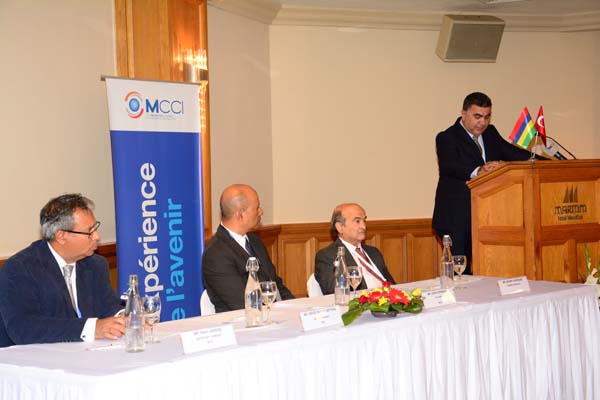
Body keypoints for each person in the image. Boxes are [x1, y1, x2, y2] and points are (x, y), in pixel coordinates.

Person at [0, 194, 124, 347]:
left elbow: (109, 305)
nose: (97, 236)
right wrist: (92, 328)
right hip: (32, 357)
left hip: (86, 352)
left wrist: (125, 318)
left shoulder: (95, 264)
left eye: (95, 228)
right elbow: (24, 328)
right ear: (61, 236)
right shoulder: (20, 268)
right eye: (89, 231)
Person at [432, 92, 533, 274]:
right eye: (477, 116)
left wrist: (552, 162)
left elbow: (515, 154)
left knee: (487, 271)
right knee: (461, 272)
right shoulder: (447, 137)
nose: (482, 122)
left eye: (487, 117)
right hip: (456, 217)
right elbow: (450, 166)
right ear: (464, 114)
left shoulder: (490, 134)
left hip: (487, 217)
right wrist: (478, 171)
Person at [202, 184, 294, 313]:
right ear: (240, 214)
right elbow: (242, 303)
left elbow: (276, 285)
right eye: (257, 208)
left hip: (273, 315)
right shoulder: (216, 254)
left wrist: (296, 310)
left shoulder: (255, 241)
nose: (261, 212)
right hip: (241, 321)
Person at [314, 203, 395, 294]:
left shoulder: (374, 252)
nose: (363, 226)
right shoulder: (328, 256)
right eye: (357, 221)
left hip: (388, 299)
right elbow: (335, 292)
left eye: (364, 221)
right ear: (340, 227)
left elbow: (392, 284)